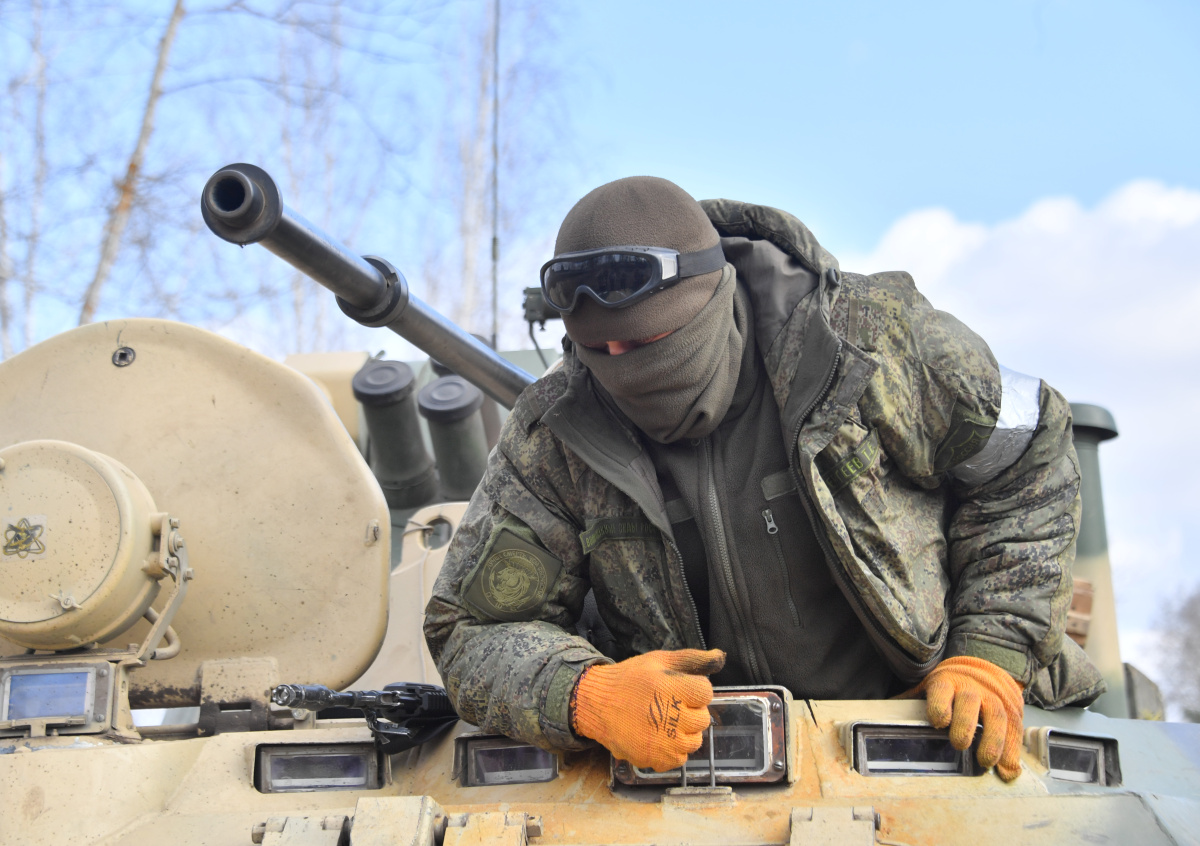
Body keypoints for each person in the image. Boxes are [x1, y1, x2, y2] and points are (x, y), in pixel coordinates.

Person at [424, 176, 1104, 781]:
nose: (621, 365)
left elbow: (1029, 451)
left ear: (709, 298)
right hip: (703, 774)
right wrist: (584, 695)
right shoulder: (556, 433)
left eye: (646, 344)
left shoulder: (865, 347)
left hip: (925, 739)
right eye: (601, 350)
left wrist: (990, 650)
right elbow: (470, 629)